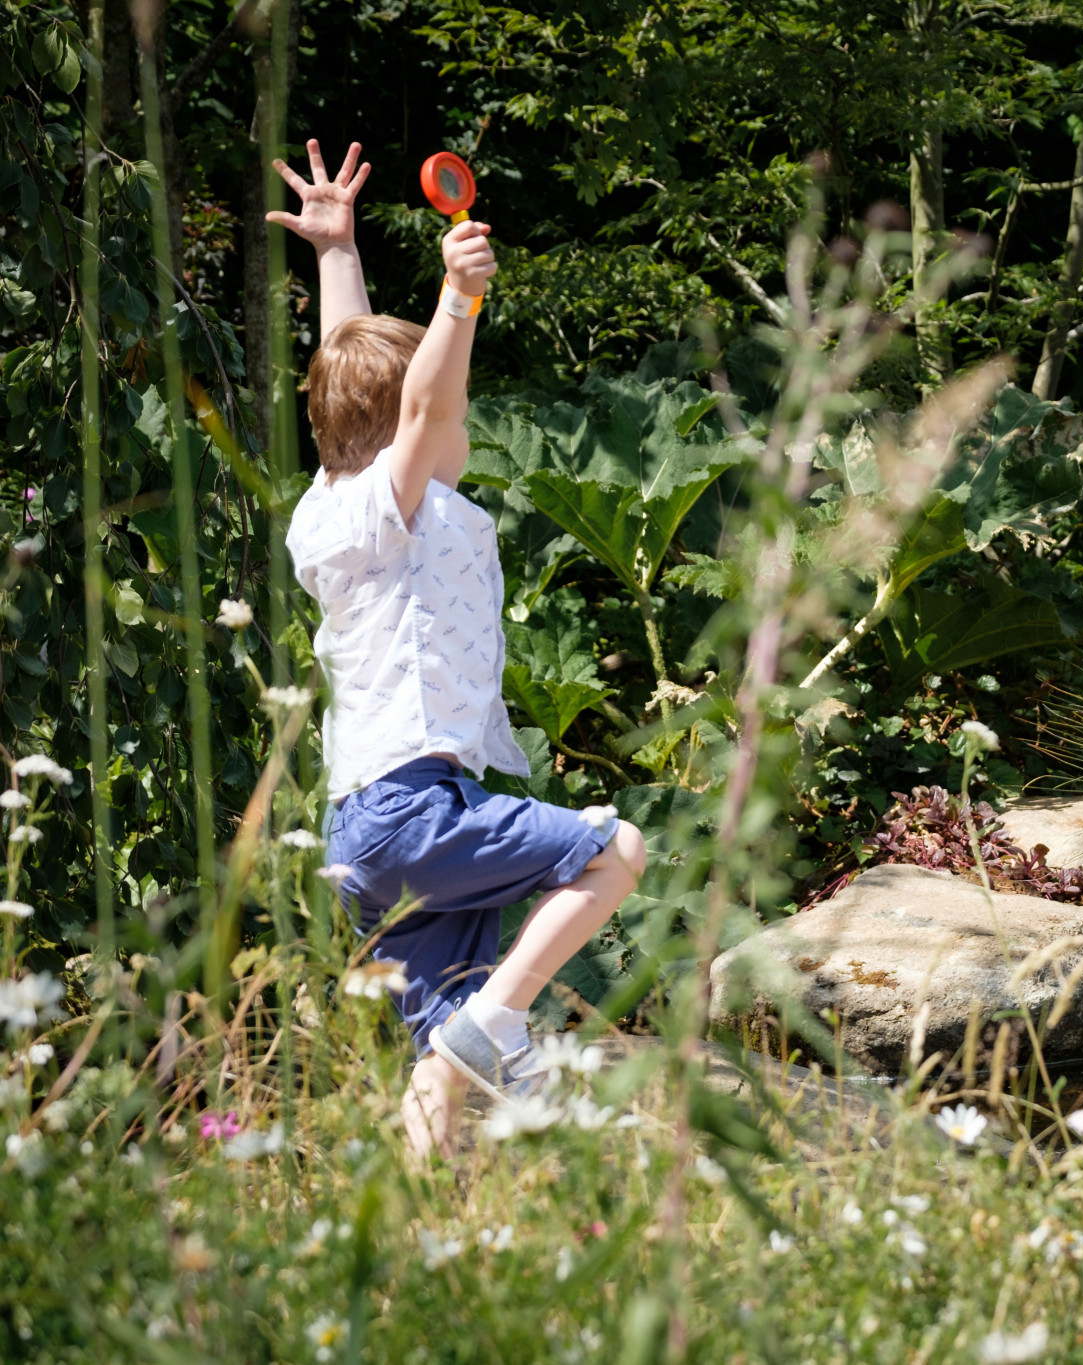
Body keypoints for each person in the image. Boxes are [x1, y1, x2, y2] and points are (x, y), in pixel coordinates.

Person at [270, 141, 648, 1159]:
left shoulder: (332, 505)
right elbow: (426, 404)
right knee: (613, 851)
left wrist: (337, 250)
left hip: (365, 832)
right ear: (408, 432)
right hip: (413, 811)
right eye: (451, 414)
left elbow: (351, 365)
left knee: (440, 1066)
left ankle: (413, 1237)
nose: (460, 424)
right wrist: (455, 299)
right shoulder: (398, 502)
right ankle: (503, 1022)